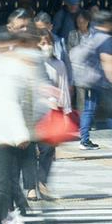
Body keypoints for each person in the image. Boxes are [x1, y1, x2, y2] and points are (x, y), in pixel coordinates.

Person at [0, 27, 45, 224]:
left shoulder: (25, 69)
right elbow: (8, 103)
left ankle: (10, 220)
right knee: (2, 184)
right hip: (2, 135)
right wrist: (21, 133)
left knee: (12, 183)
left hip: (20, 135)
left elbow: (32, 103)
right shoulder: (7, 68)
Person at [71, 10, 112, 150]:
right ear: (108, 23)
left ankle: (85, 139)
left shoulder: (93, 35)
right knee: (91, 110)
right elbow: (108, 62)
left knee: (92, 109)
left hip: (88, 79)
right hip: (95, 80)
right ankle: (84, 140)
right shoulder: (105, 39)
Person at [37, 30, 72, 200]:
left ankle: (42, 182)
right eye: (43, 43)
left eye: (49, 43)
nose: (47, 46)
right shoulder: (32, 65)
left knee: (48, 150)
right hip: (35, 113)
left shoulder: (59, 65)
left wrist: (66, 112)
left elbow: (64, 89)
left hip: (52, 113)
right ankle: (30, 185)